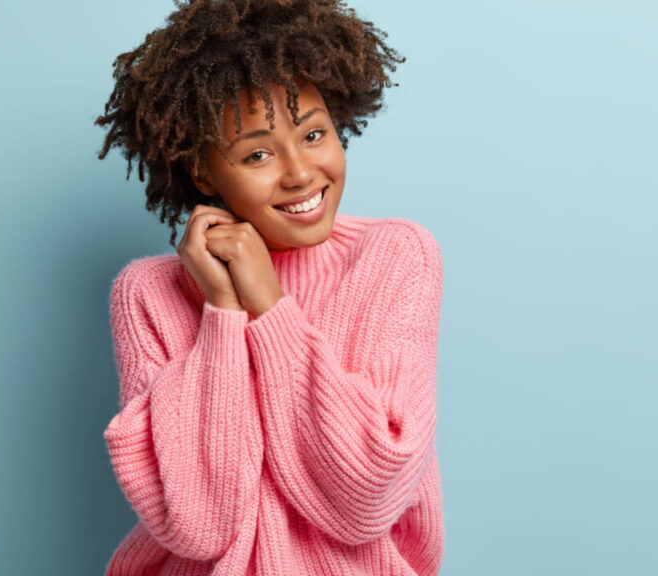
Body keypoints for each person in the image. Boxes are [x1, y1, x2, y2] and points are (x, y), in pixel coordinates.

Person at [95, 1, 444, 573]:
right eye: (257, 153)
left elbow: (367, 496)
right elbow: (198, 524)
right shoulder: (147, 294)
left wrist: (269, 305)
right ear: (203, 171)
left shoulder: (394, 256)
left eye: (314, 134)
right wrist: (223, 311)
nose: (300, 173)